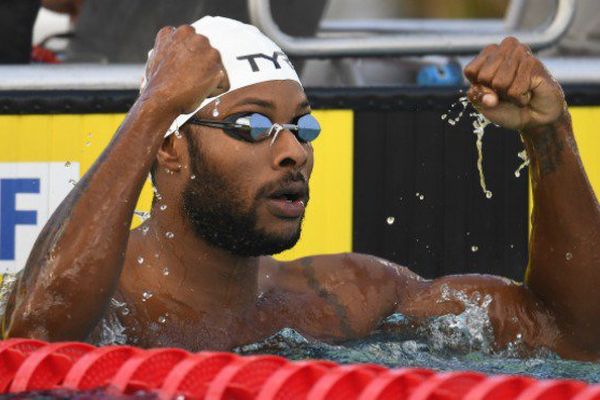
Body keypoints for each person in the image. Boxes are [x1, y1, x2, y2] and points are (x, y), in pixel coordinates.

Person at [2, 16, 600, 361]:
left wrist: (550, 136)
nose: (294, 151)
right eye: (254, 125)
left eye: (302, 125)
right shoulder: (114, 308)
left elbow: (569, 336)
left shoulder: (346, 297)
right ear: (169, 148)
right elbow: (36, 347)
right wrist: (155, 106)